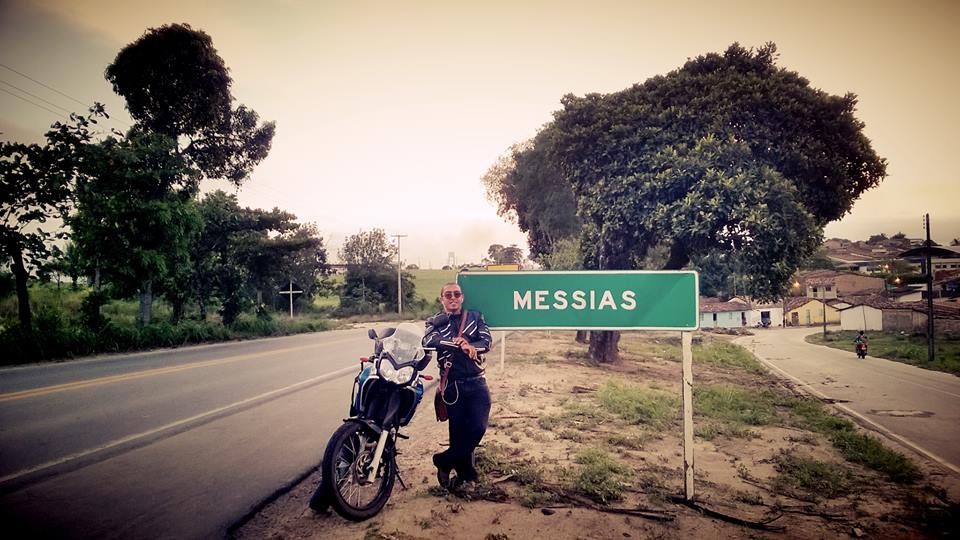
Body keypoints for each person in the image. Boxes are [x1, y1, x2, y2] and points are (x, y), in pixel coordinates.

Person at [422, 282, 492, 491]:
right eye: (448, 295)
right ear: (442, 299)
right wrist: (457, 344)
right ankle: (466, 475)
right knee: (457, 432)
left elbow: (486, 341)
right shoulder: (434, 321)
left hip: (477, 381)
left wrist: (471, 345)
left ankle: (443, 461)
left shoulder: (475, 317)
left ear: (462, 297)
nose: (452, 298)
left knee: (478, 428)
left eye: (456, 294)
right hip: (452, 384)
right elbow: (429, 340)